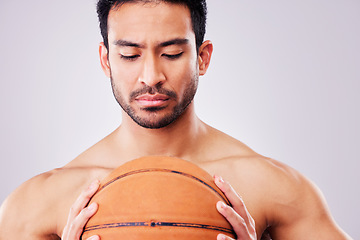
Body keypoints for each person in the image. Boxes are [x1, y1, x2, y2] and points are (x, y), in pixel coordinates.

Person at [0, 0, 352, 239]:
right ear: (106, 60)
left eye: (171, 53)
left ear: (202, 57)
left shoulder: (274, 188)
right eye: (130, 54)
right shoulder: (39, 202)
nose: (150, 75)